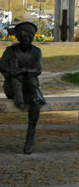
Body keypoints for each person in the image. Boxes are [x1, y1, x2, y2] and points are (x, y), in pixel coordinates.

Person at [0, 21, 45, 154]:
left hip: (29, 87)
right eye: (24, 36)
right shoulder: (10, 50)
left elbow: (37, 69)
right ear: (19, 37)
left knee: (35, 100)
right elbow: (1, 65)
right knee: (14, 72)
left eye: (30, 36)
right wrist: (12, 71)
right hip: (12, 88)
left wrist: (23, 70)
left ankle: (30, 137)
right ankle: (18, 97)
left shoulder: (36, 51)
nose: (27, 39)